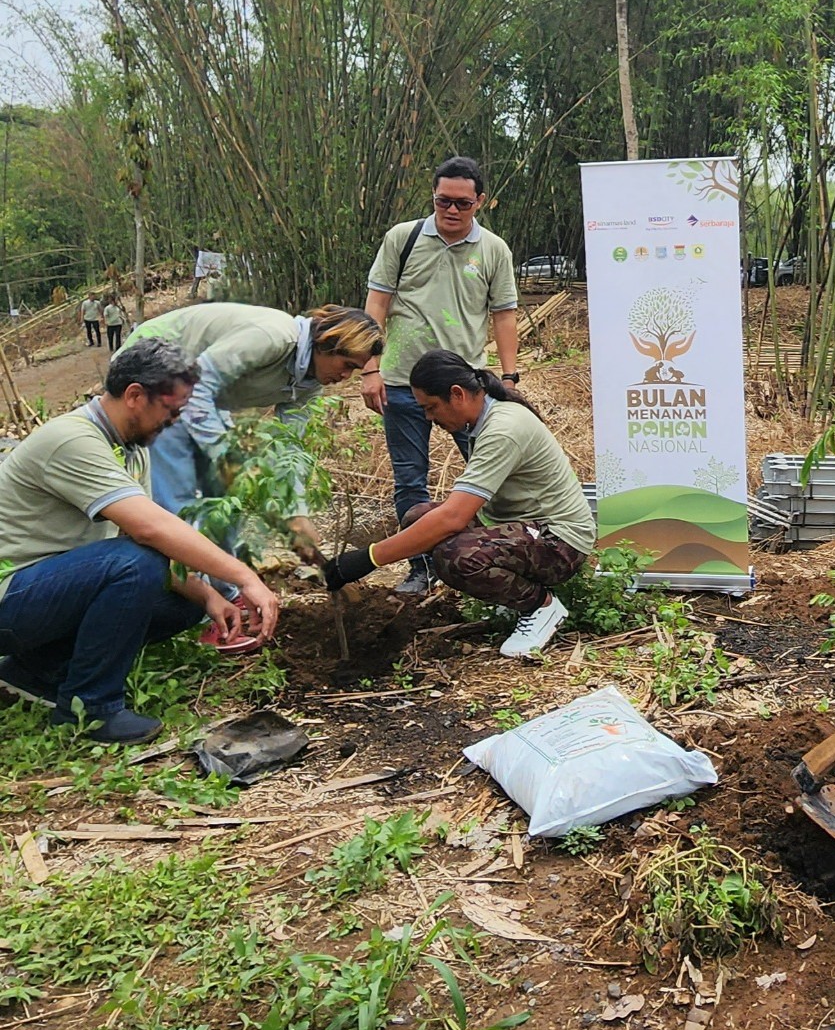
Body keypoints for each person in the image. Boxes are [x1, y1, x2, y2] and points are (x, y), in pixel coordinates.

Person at [0, 339, 282, 742]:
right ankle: (90, 709)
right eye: (170, 411)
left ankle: (35, 669)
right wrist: (245, 577)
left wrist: (207, 597)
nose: (173, 422)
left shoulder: (131, 447)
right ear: (135, 395)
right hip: (9, 595)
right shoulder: (71, 439)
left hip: (46, 592)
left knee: (186, 597)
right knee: (135, 563)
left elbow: (141, 538)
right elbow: (149, 530)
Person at [323, 351, 590, 659]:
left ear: (457, 394)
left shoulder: (503, 429)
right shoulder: (484, 421)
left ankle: (540, 607)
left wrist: (367, 559)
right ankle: (513, 600)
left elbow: (453, 517)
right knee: (418, 518)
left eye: (431, 407)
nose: (429, 418)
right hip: (524, 528)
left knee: (455, 556)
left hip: (558, 542)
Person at [362, 156, 519, 594]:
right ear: (433, 197)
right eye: (443, 201)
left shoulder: (493, 250)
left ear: (480, 202)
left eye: (462, 204)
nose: (451, 211)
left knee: (487, 472)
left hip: (463, 387)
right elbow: (376, 304)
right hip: (399, 380)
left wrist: (509, 378)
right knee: (410, 477)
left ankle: (493, 556)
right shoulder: (402, 238)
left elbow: (504, 315)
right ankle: (422, 567)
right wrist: (370, 367)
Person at [131, 303, 384, 571]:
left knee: (229, 499)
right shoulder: (273, 337)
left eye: (354, 371)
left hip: (198, 393)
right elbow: (196, 384)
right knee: (182, 493)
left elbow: (288, 448)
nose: (345, 377)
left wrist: (295, 515)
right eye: (347, 365)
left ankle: (226, 587)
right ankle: (192, 588)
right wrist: (229, 459)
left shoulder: (309, 385)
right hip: (155, 369)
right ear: (327, 342)